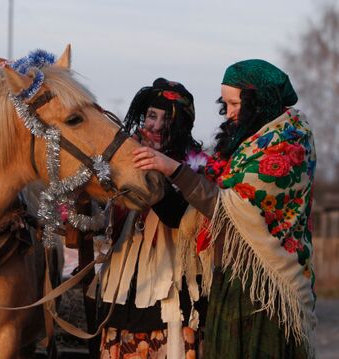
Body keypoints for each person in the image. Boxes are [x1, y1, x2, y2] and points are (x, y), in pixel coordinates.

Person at [133, 60, 317, 358]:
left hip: (267, 289)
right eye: (225, 103)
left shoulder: (288, 145)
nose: (229, 112)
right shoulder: (247, 144)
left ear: (260, 101)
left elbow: (228, 208)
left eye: (235, 103)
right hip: (232, 276)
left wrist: (172, 169)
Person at [92, 78, 208, 359]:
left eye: (165, 119)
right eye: (151, 116)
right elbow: (105, 223)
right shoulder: (125, 162)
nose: (154, 126)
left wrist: (159, 170)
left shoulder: (198, 167)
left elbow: (179, 218)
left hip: (171, 291)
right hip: (124, 287)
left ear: (181, 125)